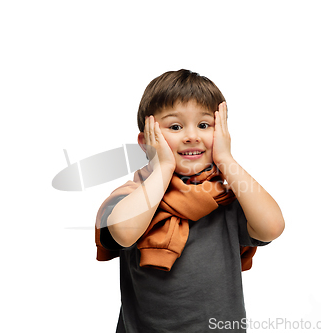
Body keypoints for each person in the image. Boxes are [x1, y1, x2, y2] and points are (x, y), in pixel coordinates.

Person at [95, 69, 285, 332]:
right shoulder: (133, 195)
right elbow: (123, 234)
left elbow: (272, 227)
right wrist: (162, 166)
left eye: (204, 125)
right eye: (175, 127)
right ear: (146, 141)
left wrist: (226, 160)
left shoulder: (226, 198)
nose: (192, 136)